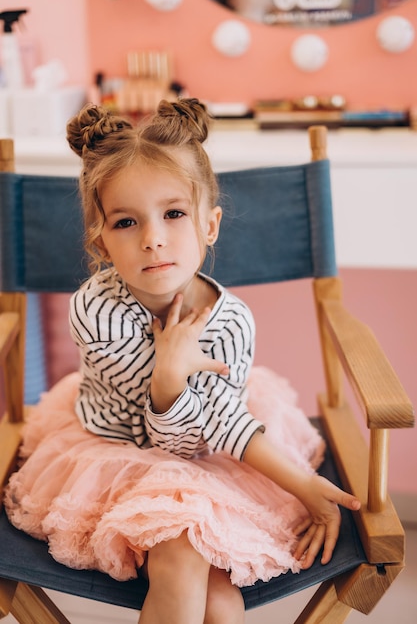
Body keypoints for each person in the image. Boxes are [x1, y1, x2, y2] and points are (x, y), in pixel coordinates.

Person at [5, 98, 360, 624]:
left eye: (173, 213)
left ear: (209, 224)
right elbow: (163, 439)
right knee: (181, 560)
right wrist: (169, 375)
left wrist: (305, 486)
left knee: (222, 602)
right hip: (116, 451)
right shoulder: (96, 310)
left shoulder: (231, 322)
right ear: (101, 242)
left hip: (216, 453)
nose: (153, 238)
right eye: (126, 222)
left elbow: (211, 431)